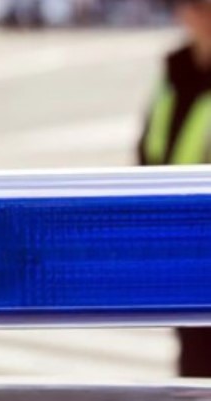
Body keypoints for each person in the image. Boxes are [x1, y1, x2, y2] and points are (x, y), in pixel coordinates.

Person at [138, 0, 211, 377]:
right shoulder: (175, 69)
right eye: (196, 7)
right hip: (179, 237)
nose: (202, 17)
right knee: (194, 357)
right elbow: (150, 145)